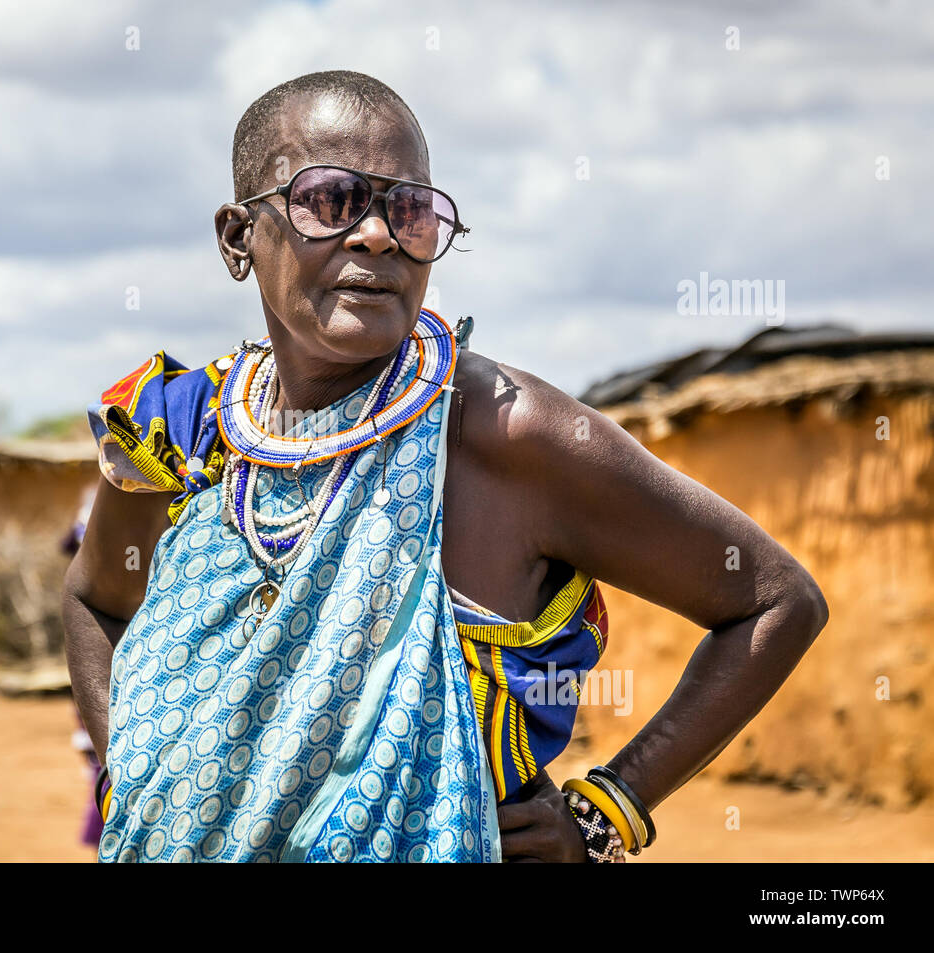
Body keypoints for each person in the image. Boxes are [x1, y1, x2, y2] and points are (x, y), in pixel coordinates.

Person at [61, 70, 828, 862]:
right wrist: (133, 778)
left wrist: (606, 814)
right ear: (236, 237)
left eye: (409, 209)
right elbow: (97, 598)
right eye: (330, 200)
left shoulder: (504, 433)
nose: (377, 235)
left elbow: (774, 601)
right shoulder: (178, 427)